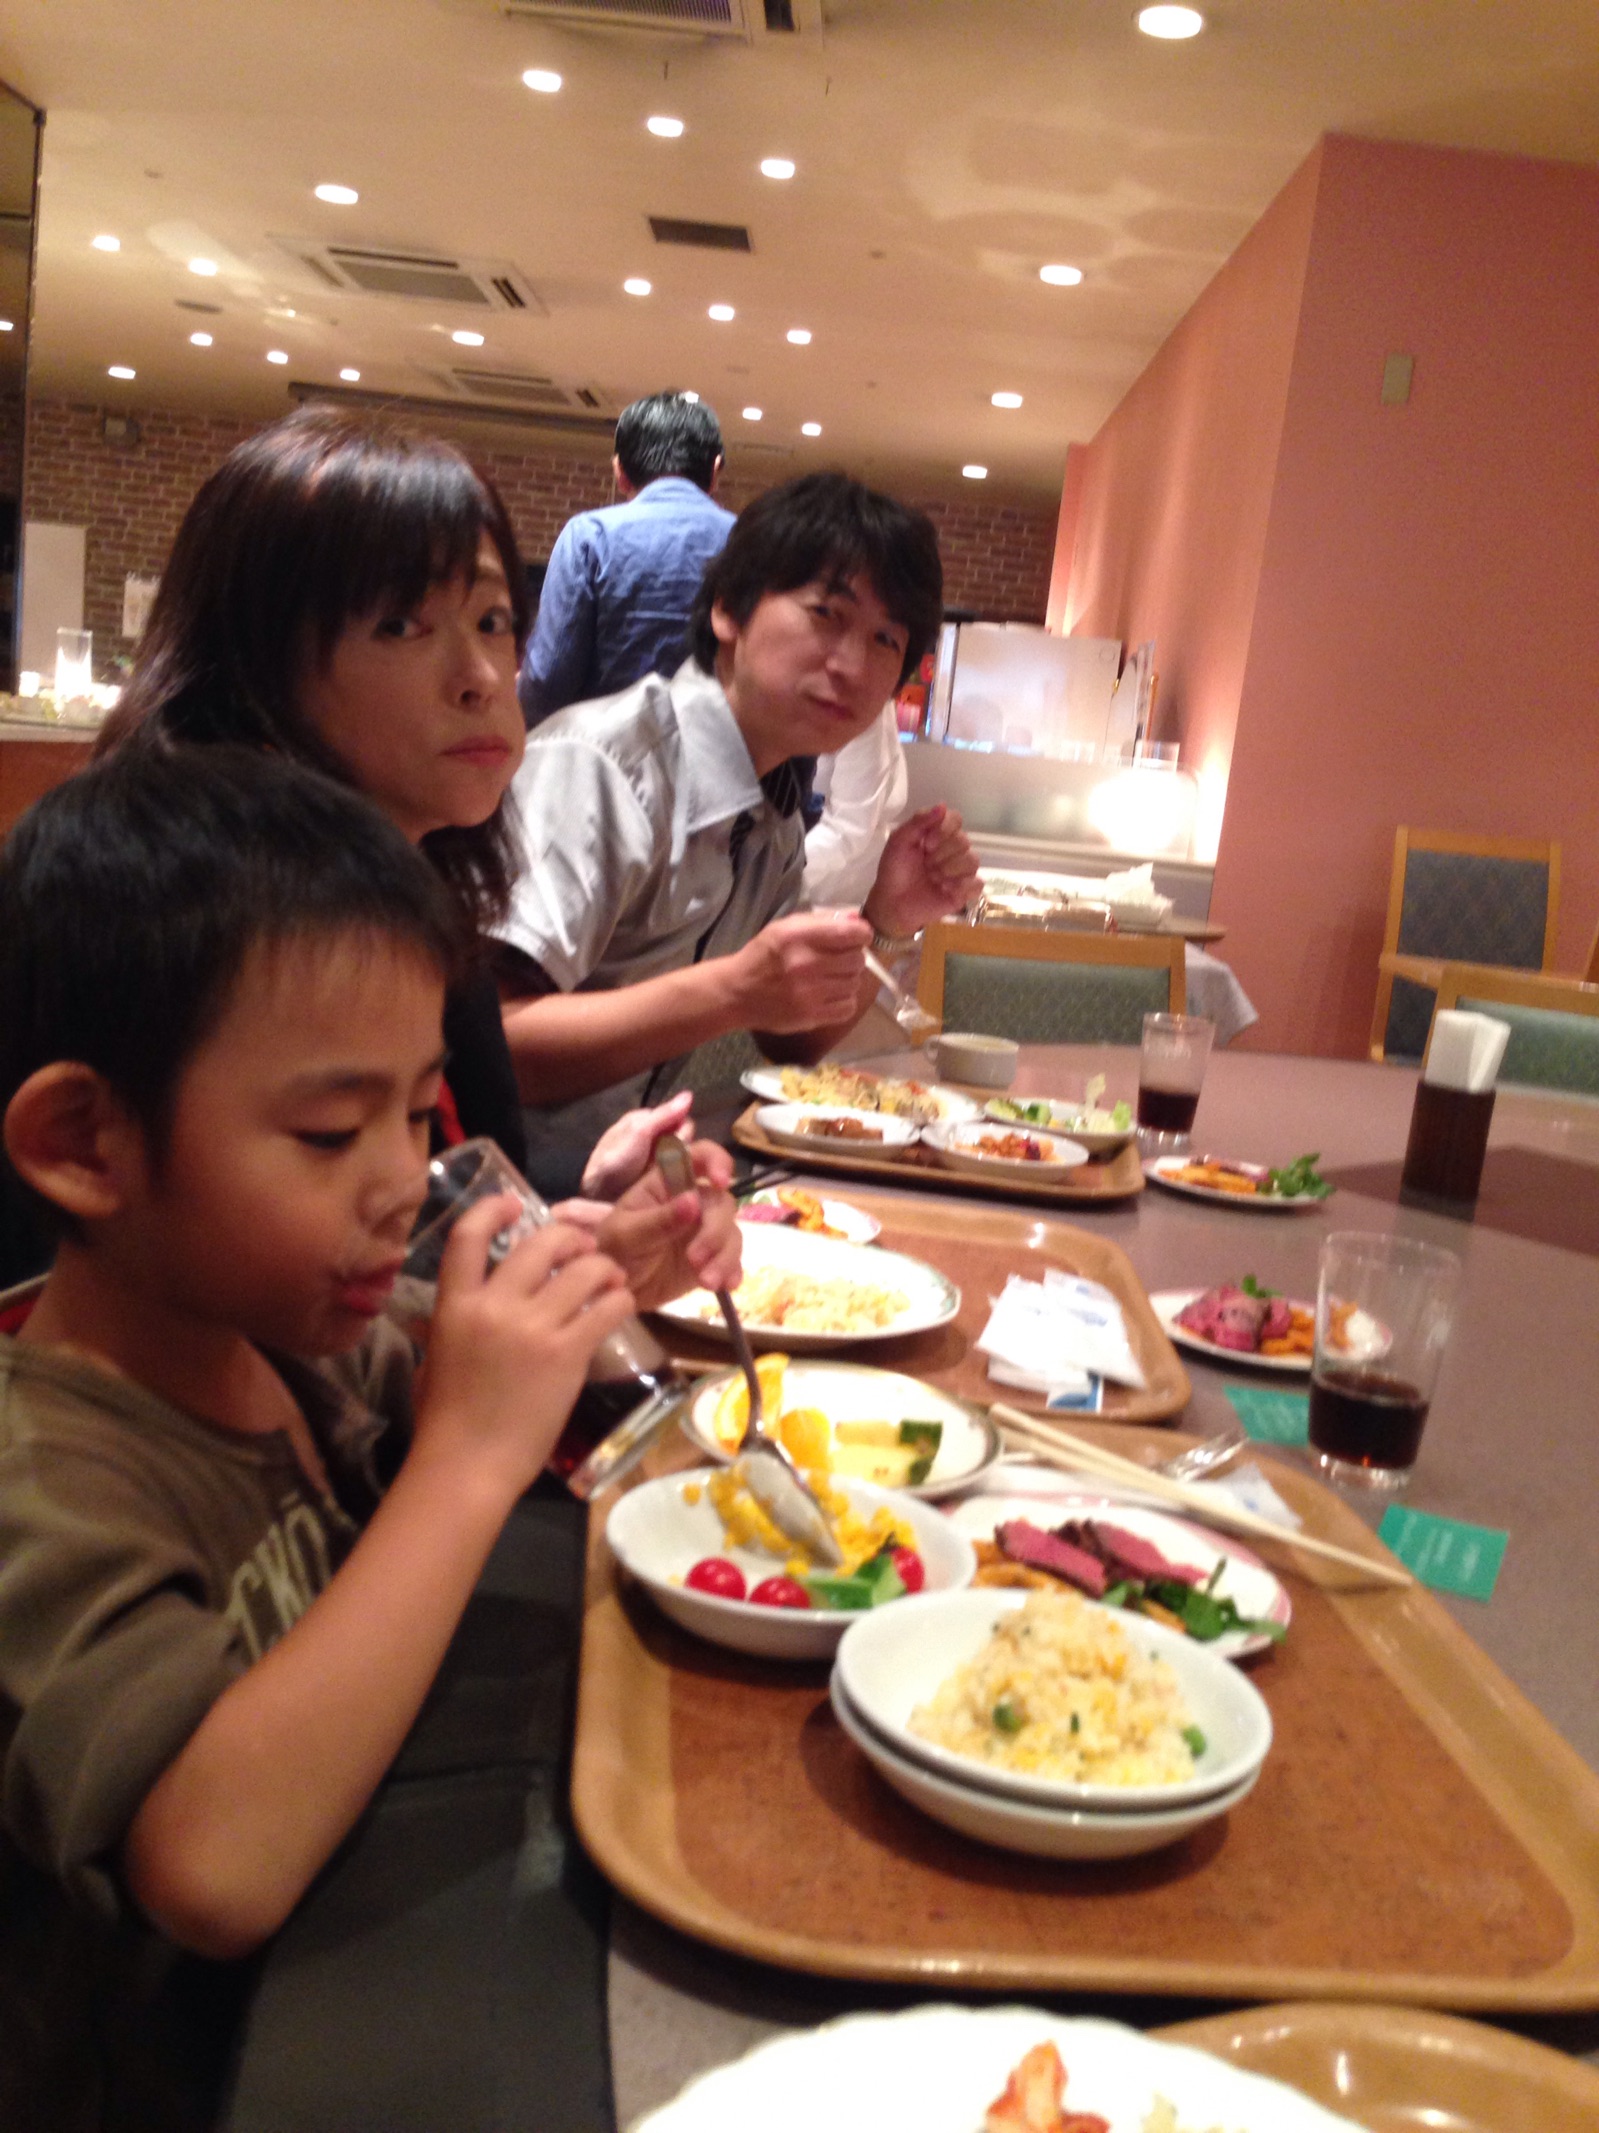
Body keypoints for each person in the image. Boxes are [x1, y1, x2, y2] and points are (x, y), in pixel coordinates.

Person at [0, 747, 638, 2130]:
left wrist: (612, 1268)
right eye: (333, 1130)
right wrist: (465, 1461)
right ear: (87, 1144)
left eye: (414, 1115)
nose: (403, 1181)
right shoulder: (42, 1483)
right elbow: (213, 1869)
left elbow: (468, 1347)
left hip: (381, 1958)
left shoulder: (291, 1328)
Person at [98, 403, 736, 1286]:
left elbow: (416, 1258)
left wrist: (587, 1240)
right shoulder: (197, 918)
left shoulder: (415, 897)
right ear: (249, 657)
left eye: (493, 621)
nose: (481, 679)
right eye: (401, 625)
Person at [494, 471, 980, 1189]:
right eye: (826, 614)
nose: (853, 665)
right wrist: (732, 989)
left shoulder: (772, 810)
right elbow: (492, 1042)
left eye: (886, 639)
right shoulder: (605, 766)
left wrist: (885, 919)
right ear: (728, 609)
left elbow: (789, 1039)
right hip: (493, 1198)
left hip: (620, 1191)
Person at [519, 391, 736, 727]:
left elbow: (548, 681)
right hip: (720, 752)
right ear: (715, 470)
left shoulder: (589, 536)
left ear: (619, 471)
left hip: (600, 751)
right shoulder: (750, 542)